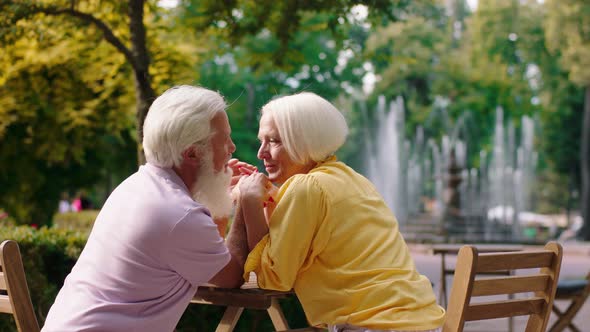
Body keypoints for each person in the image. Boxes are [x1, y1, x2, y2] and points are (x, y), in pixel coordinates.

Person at [42, 85, 252, 332]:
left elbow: (210, 260)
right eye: (224, 138)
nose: (232, 147)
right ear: (193, 152)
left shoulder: (136, 187)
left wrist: (220, 196)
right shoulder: (181, 216)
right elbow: (231, 276)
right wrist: (247, 200)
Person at [236, 92, 445, 332]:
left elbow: (273, 278)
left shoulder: (306, 187)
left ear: (305, 142)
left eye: (274, 141)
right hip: (423, 322)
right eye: (262, 141)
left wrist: (249, 202)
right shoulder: (356, 180)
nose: (261, 153)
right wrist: (269, 199)